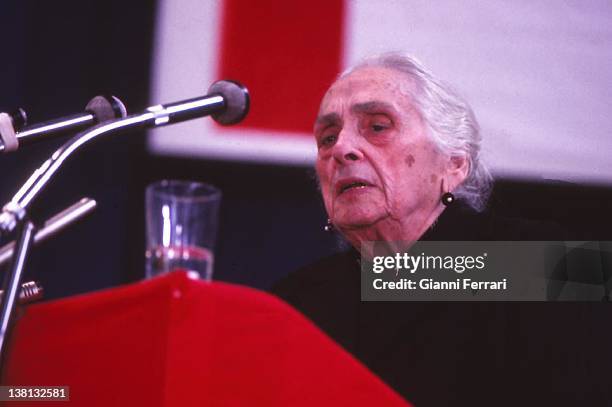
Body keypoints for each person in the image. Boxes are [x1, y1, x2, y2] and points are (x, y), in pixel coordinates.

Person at [273, 53, 610, 407]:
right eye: (327, 138)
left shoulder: (549, 261)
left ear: (454, 163)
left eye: (377, 126)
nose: (340, 149)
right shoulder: (295, 303)